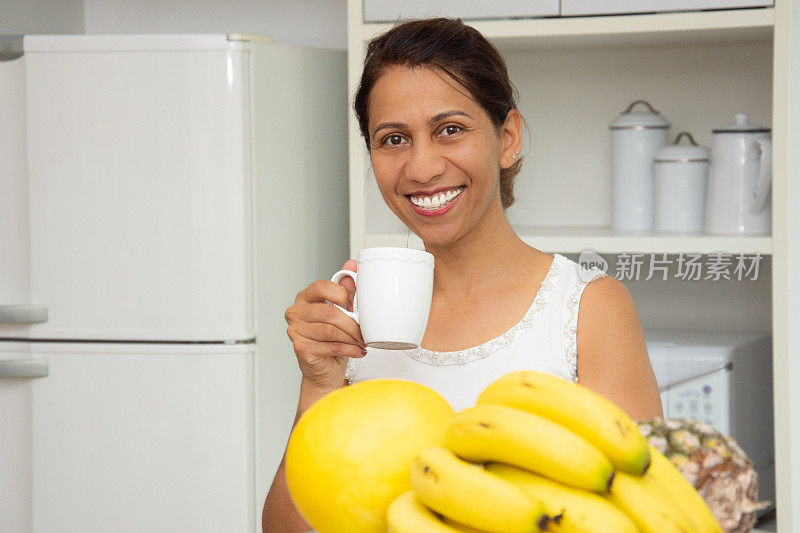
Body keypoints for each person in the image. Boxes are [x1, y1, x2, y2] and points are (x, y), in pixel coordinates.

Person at [262, 17, 663, 532]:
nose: (422, 167)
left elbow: (638, 514)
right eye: (393, 139)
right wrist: (318, 387)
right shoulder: (352, 318)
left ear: (507, 138)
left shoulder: (589, 308)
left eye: (450, 129)